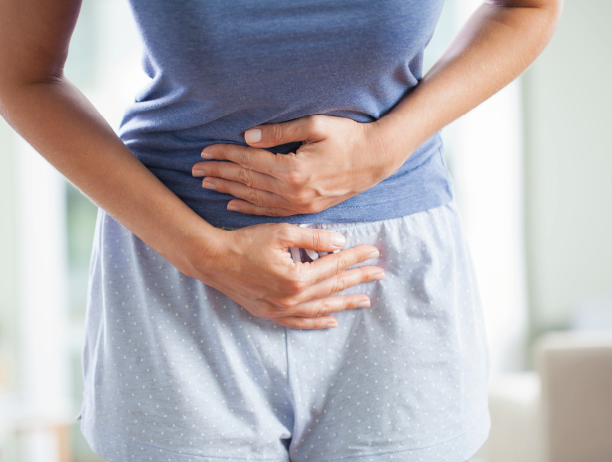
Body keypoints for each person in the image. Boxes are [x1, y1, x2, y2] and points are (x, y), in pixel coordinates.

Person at [0, 0, 561, 461]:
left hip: (389, 279)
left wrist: (380, 149)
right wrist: (206, 255)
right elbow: (20, 74)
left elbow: (528, 8)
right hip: (178, 281)